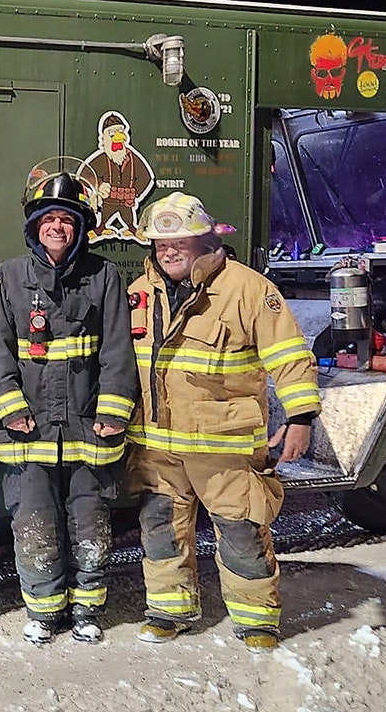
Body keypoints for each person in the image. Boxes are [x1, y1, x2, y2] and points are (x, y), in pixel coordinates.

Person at [127, 193, 320, 653]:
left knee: (240, 528)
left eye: (180, 242)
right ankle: (169, 609)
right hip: (157, 444)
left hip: (224, 444)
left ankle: (257, 619)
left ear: (205, 239)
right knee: (160, 527)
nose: (167, 251)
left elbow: (290, 357)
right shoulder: (140, 292)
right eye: (159, 243)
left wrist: (301, 417)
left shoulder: (249, 290)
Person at [0, 173, 137, 645]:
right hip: (28, 432)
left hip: (88, 427)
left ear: (79, 228)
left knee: (89, 522)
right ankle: (45, 611)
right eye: (47, 219)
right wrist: (11, 410)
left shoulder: (104, 275)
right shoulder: (9, 277)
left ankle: (88, 608)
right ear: (34, 227)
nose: (56, 227)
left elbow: (117, 349)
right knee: (35, 523)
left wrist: (112, 412)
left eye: (65, 220)